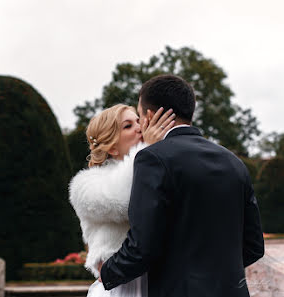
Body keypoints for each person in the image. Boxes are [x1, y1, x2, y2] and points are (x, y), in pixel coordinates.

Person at [99, 75, 265, 297]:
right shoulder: (234, 162)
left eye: (139, 115)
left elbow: (142, 247)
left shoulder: (152, 159)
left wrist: (108, 273)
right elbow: (254, 245)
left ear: (149, 115)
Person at [69, 103, 175, 297]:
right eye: (128, 126)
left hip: (161, 281)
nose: (140, 128)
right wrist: (146, 150)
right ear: (112, 147)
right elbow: (125, 201)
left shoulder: (158, 170)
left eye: (138, 121)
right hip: (121, 285)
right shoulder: (85, 185)